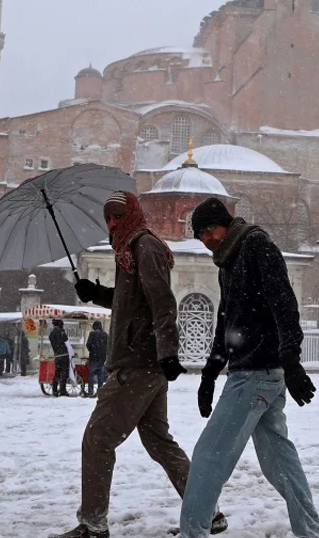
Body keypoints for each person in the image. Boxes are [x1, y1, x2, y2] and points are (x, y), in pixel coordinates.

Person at [55, 190, 224, 538]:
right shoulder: (128, 251)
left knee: (98, 439)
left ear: (131, 214)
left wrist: (168, 351)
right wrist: (95, 293)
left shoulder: (144, 246)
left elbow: (163, 301)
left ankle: (93, 525)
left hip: (137, 364)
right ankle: (208, 513)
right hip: (144, 363)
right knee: (159, 442)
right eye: (108, 218)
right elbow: (131, 301)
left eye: (118, 216)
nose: (112, 223)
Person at [178, 197, 319, 538]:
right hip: (261, 376)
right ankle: (313, 533)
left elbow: (284, 304)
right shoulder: (228, 259)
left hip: (256, 376)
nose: (206, 239)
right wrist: (210, 373)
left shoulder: (256, 245)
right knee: (280, 463)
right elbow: (226, 319)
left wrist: (292, 361)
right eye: (199, 235)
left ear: (225, 222)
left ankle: (192, 532)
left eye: (209, 230)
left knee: (209, 457)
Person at [84, 320, 109, 398]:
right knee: (100, 376)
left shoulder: (92, 334)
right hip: (102, 358)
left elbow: (88, 344)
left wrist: (92, 350)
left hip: (93, 358)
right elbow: (108, 346)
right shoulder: (105, 335)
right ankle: (100, 391)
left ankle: (90, 391)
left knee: (91, 375)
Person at [48, 319, 70, 397]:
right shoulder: (61, 332)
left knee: (57, 373)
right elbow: (66, 341)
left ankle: (54, 390)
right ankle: (62, 390)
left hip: (57, 355)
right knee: (64, 373)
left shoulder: (51, 333)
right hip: (64, 355)